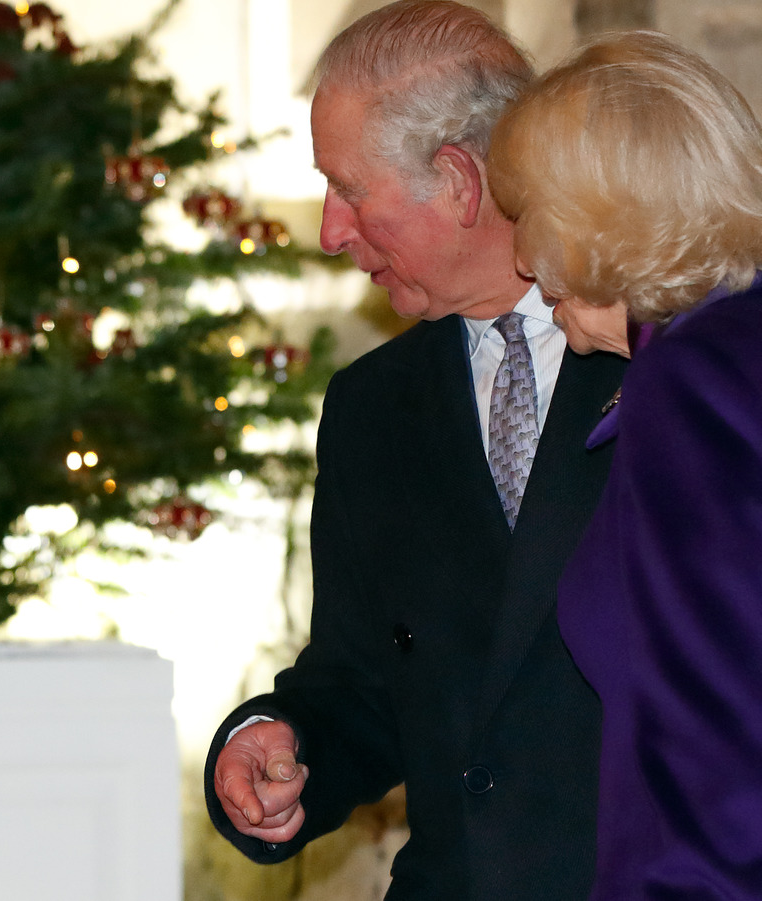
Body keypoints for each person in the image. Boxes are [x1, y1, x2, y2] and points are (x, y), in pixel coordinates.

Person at [202, 3, 628, 898]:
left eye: (351, 190)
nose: (331, 230)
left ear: (459, 180)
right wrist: (282, 744)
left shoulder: (676, 354)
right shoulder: (371, 408)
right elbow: (363, 680)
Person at [489, 30, 762, 900]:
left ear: (594, 215)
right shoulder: (728, 351)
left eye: (527, 212)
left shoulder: (694, 380)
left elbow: (713, 742)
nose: (525, 262)